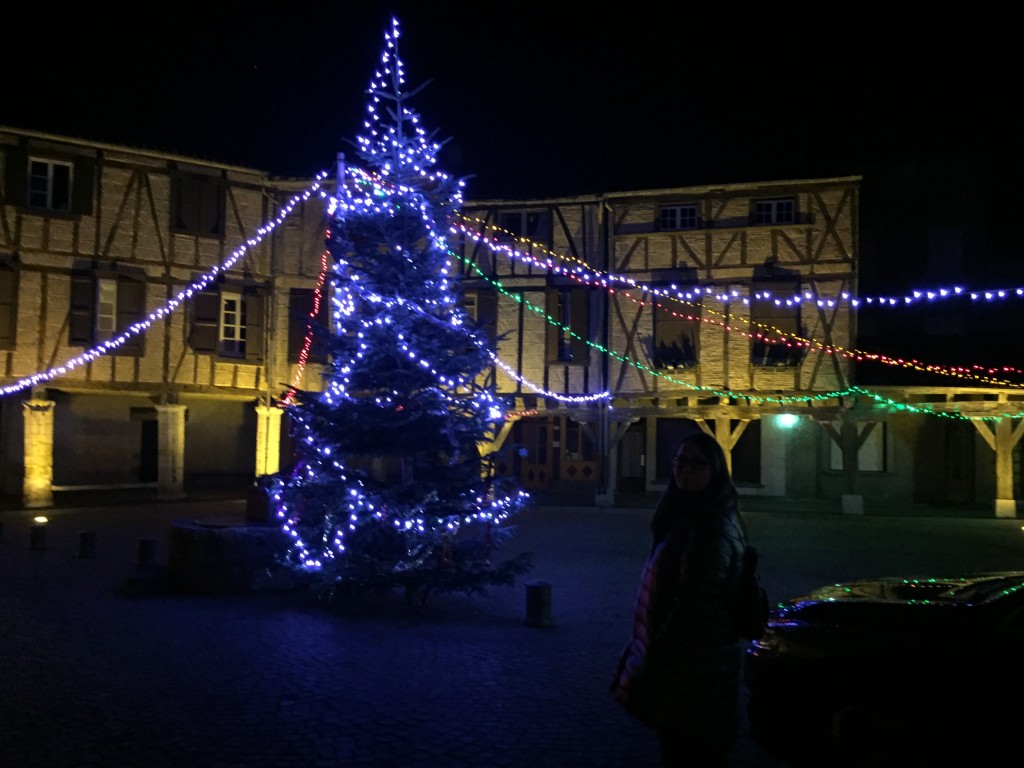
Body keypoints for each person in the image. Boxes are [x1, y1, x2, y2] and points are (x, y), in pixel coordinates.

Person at [610, 432, 748, 767]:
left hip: (694, 683)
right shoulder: (686, 517)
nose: (686, 469)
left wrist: (653, 662)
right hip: (688, 681)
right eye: (680, 461)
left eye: (698, 463)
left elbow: (691, 612)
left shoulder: (710, 530)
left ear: (715, 469)